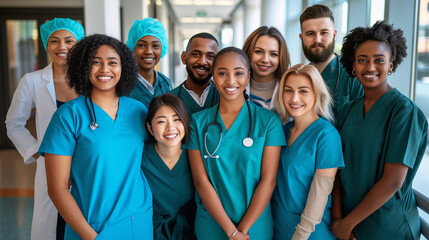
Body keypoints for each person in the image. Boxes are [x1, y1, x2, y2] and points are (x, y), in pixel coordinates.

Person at [38, 34, 153, 240]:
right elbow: (57, 189)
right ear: (83, 67)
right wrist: (91, 237)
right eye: (95, 62)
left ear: (123, 67)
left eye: (112, 63)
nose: (104, 70)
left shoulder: (138, 111)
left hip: (138, 221)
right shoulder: (68, 116)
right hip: (91, 227)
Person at [331, 21, 428, 240]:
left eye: (379, 60)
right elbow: (337, 167)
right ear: (353, 66)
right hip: (348, 225)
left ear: (391, 65)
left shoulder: (404, 112)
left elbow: (393, 181)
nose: (370, 67)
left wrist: (347, 223)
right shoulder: (348, 109)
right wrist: (337, 219)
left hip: (388, 227)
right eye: (362, 60)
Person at [184, 47, 285, 240]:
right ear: (213, 78)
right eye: (222, 73)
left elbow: (268, 181)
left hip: (254, 227)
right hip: (212, 226)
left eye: (238, 73)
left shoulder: (268, 122)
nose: (230, 81)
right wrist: (232, 232)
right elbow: (201, 182)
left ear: (248, 76)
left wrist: (242, 231)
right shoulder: (198, 122)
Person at [5, 18, 84, 240]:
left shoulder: (90, 80)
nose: (62, 47)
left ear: (78, 44)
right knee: (53, 227)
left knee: (84, 223)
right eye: (54, 41)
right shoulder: (32, 81)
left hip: (86, 163)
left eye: (69, 40)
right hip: (51, 165)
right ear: (46, 45)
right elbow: (14, 123)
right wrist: (37, 150)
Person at [271, 64, 344, 240]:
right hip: (278, 228)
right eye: (289, 90)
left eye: (303, 91)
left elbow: (321, 191)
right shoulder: (283, 131)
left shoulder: (326, 135)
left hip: (309, 233)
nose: (294, 98)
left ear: (317, 94)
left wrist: (301, 235)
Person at [142, 93, 196, 239]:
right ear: (150, 128)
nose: (170, 128)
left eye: (177, 119)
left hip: (191, 232)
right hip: (149, 232)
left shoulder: (195, 156)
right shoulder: (140, 159)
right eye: (161, 122)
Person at [299, 4, 363, 119]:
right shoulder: (300, 77)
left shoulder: (353, 74)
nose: (317, 39)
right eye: (310, 33)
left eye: (324, 33)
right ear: (301, 37)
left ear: (334, 35)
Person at [170, 32, 219, 116]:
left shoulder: (225, 97)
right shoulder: (169, 100)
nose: (202, 62)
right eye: (196, 54)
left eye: (210, 56)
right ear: (184, 57)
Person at [127, 17, 172, 108]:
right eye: (142, 45)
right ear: (133, 48)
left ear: (162, 49)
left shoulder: (165, 83)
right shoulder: (123, 82)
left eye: (155, 46)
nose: (148, 51)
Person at [242, 26, 291, 109]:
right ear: (248, 52)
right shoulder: (234, 88)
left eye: (273, 54)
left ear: (281, 57)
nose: (265, 60)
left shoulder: (291, 90)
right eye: (259, 52)